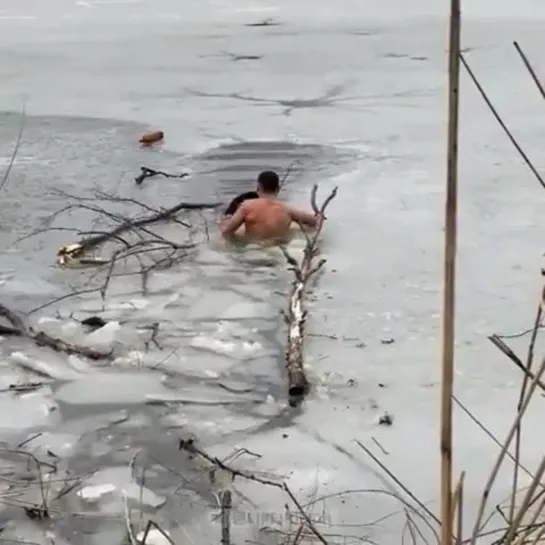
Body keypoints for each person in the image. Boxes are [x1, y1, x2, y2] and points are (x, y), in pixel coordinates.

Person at [220, 170, 321, 243]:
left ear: (259, 186)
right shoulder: (287, 209)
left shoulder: (247, 206)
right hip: (277, 249)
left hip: (252, 249)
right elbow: (315, 222)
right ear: (278, 188)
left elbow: (227, 232)